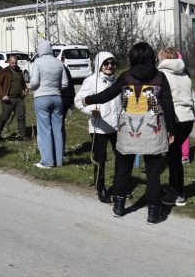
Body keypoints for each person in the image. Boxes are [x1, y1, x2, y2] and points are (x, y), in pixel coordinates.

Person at [84, 42, 176, 224]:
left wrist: (88, 99)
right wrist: (171, 130)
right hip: (153, 130)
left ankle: (119, 207)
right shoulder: (160, 77)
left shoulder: (126, 77)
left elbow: (106, 95)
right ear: (151, 57)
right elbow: (168, 105)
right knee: (153, 172)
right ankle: (153, 212)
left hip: (127, 130)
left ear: (132, 58)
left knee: (123, 169)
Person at [74, 51, 120, 203]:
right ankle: (100, 187)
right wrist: (91, 110)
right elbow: (78, 101)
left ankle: (120, 186)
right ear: (99, 64)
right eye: (106, 63)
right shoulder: (91, 81)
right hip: (99, 127)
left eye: (112, 63)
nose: (109, 66)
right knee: (100, 158)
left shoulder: (117, 81)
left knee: (122, 157)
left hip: (116, 126)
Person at [157, 47, 195, 207]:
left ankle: (179, 193)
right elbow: (193, 98)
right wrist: (194, 115)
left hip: (174, 119)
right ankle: (174, 186)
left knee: (173, 157)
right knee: (174, 154)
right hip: (188, 118)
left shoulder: (162, 75)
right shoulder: (184, 74)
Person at [28, 39, 68, 168]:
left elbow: (34, 82)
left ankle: (47, 161)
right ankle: (58, 160)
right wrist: (56, 89)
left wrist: (30, 87)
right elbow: (65, 83)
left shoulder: (38, 62)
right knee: (57, 129)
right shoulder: (58, 63)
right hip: (57, 98)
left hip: (42, 97)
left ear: (40, 50)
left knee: (44, 130)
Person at [0, 54, 28, 140]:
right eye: (12, 63)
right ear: (9, 62)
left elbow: (23, 83)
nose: (14, 64)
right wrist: (3, 95)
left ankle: (23, 136)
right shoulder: (4, 71)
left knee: (21, 117)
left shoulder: (19, 71)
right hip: (8, 99)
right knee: (4, 117)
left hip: (19, 99)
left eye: (15, 63)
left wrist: (25, 89)